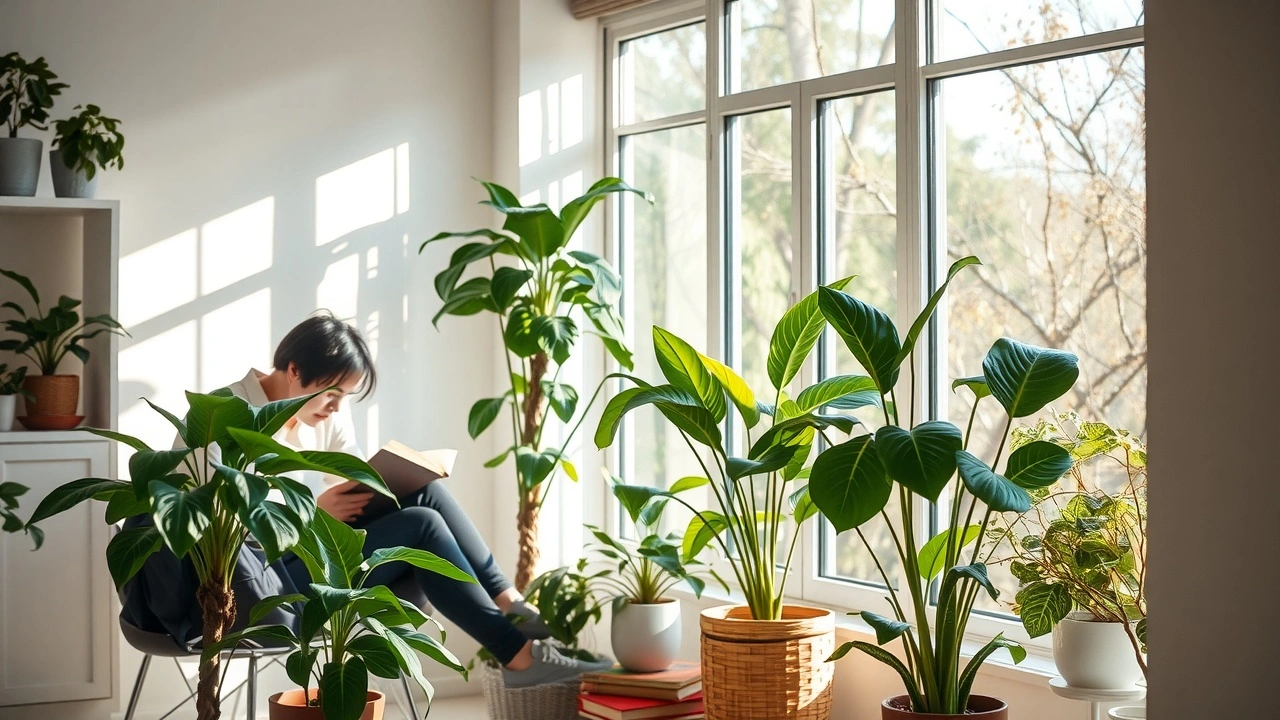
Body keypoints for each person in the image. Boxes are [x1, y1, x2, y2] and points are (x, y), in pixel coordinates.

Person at [217, 312, 610, 687]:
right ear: (295, 370)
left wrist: (387, 481)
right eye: (332, 394)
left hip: (304, 555)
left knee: (425, 493)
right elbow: (215, 522)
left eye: (346, 396)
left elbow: (355, 476)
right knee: (421, 526)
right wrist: (311, 512)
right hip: (257, 581)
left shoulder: (322, 413)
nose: (337, 407)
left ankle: (509, 601)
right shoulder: (226, 414)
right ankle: (520, 658)